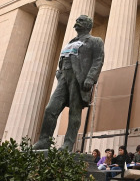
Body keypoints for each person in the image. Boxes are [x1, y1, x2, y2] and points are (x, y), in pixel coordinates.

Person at [33, 15, 104, 151]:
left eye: (81, 20)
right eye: (77, 20)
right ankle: (44, 141)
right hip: (64, 77)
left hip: (79, 79)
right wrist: (59, 74)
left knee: (74, 112)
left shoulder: (95, 41)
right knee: (50, 109)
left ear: (89, 25)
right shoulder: (71, 42)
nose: (77, 22)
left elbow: (98, 60)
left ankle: (68, 144)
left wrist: (90, 78)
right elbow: (64, 58)